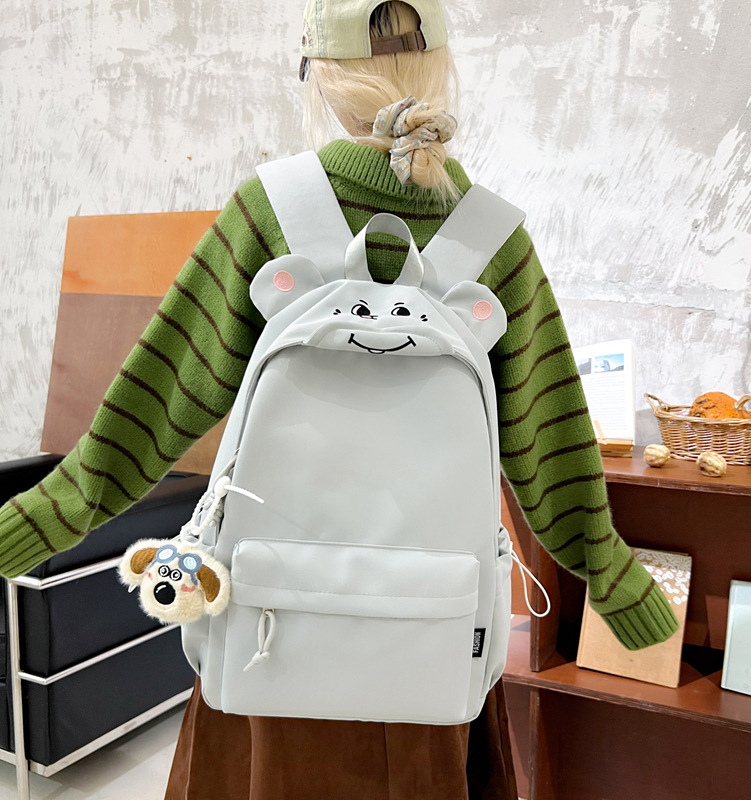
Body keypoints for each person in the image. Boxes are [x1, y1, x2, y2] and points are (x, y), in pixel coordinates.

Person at [0, 1, 678, 797]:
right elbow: (550, 442)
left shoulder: (268, 211)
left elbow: (153, 404)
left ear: (318, 76)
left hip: (270, 636)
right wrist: (612, 575)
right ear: (442, 68)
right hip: (433, 642)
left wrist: (37, 521)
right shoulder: (497, 240)